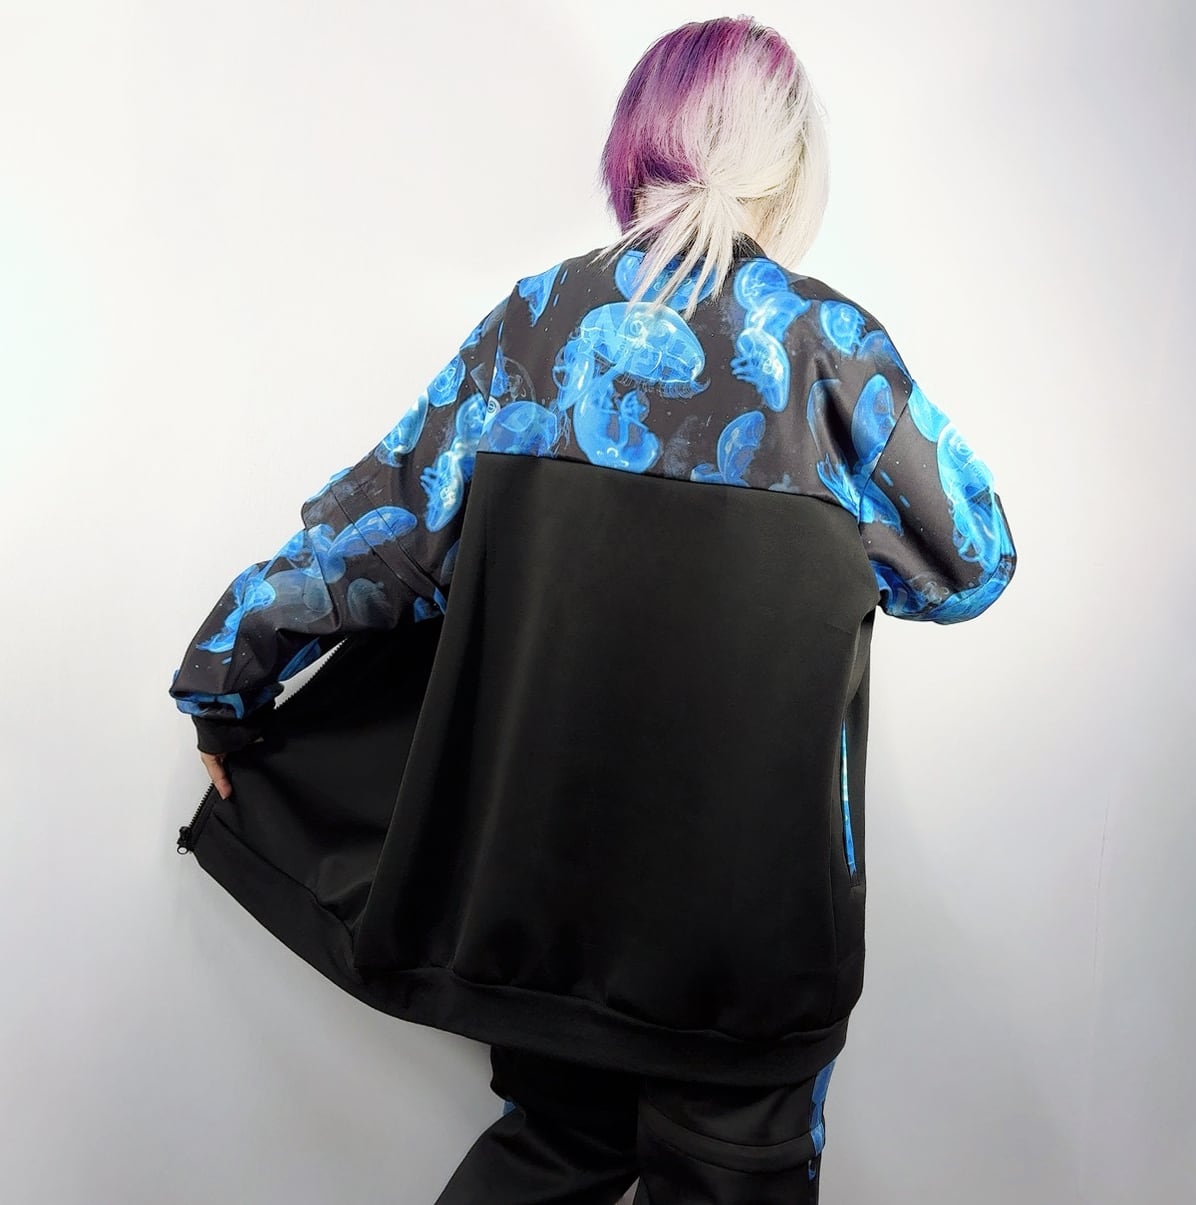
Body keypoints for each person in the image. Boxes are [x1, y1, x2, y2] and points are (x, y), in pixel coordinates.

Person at [169, 15, 1017, 1204]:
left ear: (636, 145)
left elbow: (373, 536)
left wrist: (223, 676)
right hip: (749, 937)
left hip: (546, 902)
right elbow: (970, 564)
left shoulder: (536, 322)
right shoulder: (828, 350)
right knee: (733, 1175)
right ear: (786, 163)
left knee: (556, 1148)